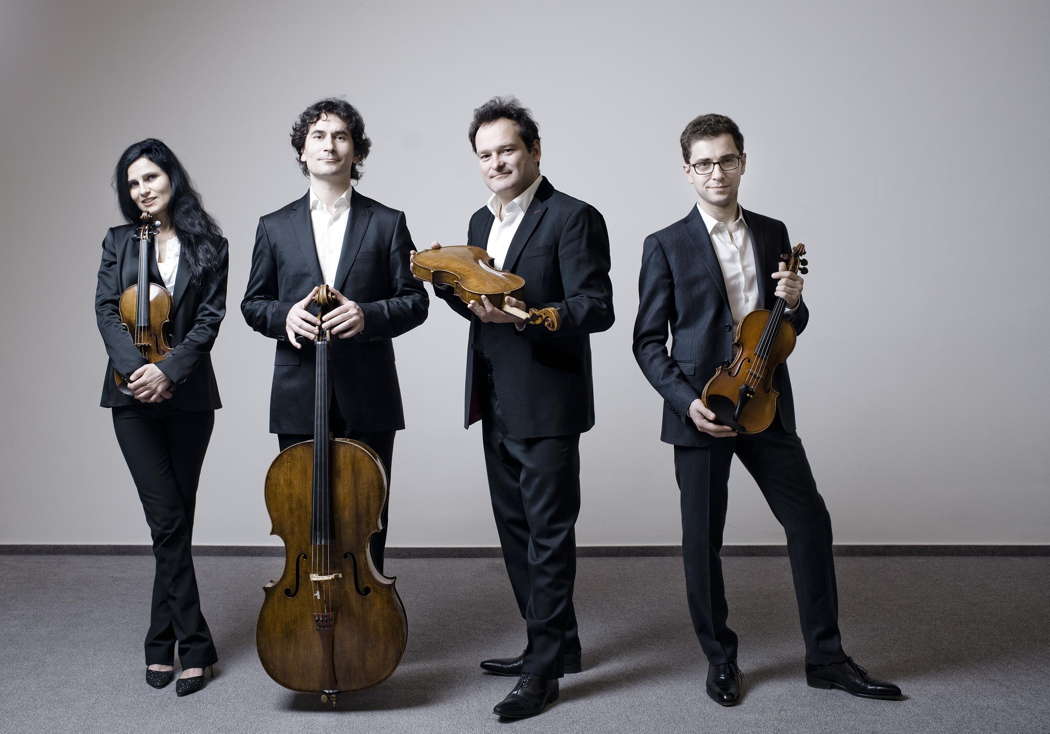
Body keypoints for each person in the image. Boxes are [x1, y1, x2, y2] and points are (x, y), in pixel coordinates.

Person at [633, 113, 903, 706]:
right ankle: (720, 659)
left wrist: (795, 304)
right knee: (701, 540)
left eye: (727, 159)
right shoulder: (665, 245)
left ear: (743, 162)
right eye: (704, 163)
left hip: (767, 406)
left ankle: (826, 658)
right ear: (687, 171)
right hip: (705, 410)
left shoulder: (773, 231)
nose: (716, 172)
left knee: (810, 521)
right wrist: (686, 402)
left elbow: (783, 329)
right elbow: (647, 342)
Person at [425, 97, 614, 719]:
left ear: (534, 151)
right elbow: (479, 304)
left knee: (549, 535)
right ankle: (556, 644)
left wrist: (537, 316)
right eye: (485, 155)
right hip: (495, 396)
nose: (496, 163)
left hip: (549, 399)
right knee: (515, 529)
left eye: (507, 150)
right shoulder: (479, 225)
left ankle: (542, 669)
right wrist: (449, 285)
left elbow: (596, 305)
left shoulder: (574, 217)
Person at [241, 98, 427, 573]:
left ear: (357, 152)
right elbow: (252, 303)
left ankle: (369, 631)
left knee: (369, 516)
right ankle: (305, 624)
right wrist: (285, 318)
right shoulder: (273, 227)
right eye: (319, 136)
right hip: (299, 392)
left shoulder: (387, 222)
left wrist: (367, 316)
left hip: (369, 392)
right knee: (302, 515)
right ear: (301, 151)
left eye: (341, 136)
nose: (330, 145)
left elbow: (415, 301)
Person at [95, 139, 228, 696]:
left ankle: (159, 642)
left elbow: (210, 320)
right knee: (167, 521)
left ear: (172, 177)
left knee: (175, 522)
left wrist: (168, 371)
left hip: (190, 397)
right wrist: (136, 371)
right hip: (131, 400)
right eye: (132, 183)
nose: (142, 189)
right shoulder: (119, 242)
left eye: (150, 177)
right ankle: (194, 645)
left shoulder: (209, 244)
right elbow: (106, 309)